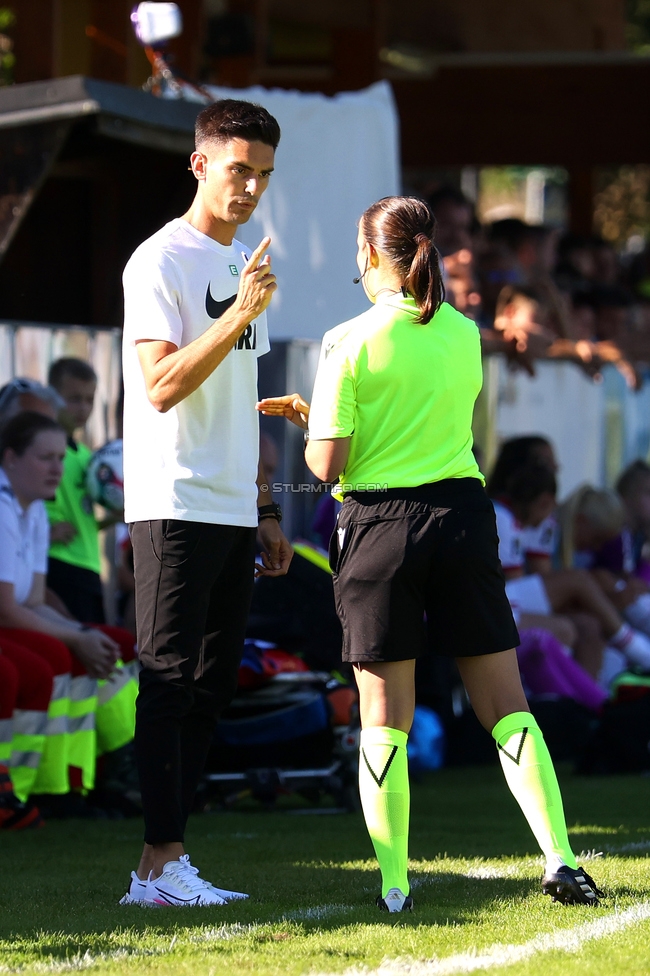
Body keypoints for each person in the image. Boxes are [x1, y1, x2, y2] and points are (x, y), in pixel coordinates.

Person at [257, 195, 603, 911]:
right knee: (507, 707)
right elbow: (427, 423)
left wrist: (311, 420)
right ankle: (561, 858)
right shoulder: (464, 332)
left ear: (368, 254)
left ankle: (393, 885)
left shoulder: (347, 339)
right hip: (463, 518)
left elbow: (327, 464)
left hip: (380, 525)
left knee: (384, 718)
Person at [121, 98, 292, 908]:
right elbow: (160, 386)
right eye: (238, 170)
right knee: (167, 679)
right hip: (174, 497)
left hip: (231, 506)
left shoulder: (238, 263)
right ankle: (161, 861)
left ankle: (163, 869)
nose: (250, 187)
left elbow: (238, 398)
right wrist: (241, 316)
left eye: (263, 175)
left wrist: (265, 508)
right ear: (200, 164)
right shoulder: (159, 260)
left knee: (212, 686)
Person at [0, 412, 137, 813]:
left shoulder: (33, 511)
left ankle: (94, 776)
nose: (57, 469)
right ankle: (25, 789)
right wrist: (77, 638)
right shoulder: (4, 509)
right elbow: (7, 609)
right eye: (45, 458)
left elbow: (33, 601)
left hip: (12, 620)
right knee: (53, 659)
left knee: (116, 643)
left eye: (61, 458)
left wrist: (83, 634)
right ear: (10, 458)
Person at [45, 357, 109, 623]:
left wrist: (112, 519)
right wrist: (46, 533)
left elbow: (82, 519)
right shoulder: (42, 451)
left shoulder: (86, 457)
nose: (83, 408)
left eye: (89, 399)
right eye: (73, 399)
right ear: (52, 396)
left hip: (89, 565)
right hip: (57, 564)